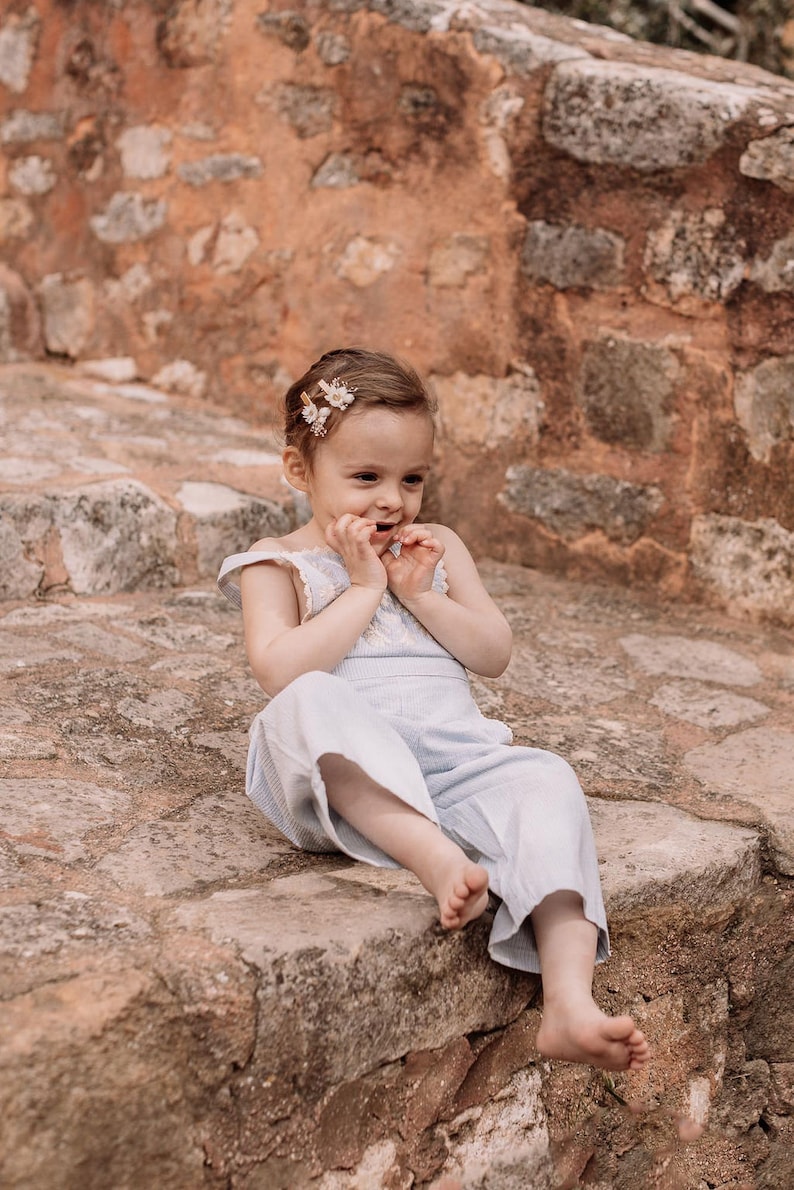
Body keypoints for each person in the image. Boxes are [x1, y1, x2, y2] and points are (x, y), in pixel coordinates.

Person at [218, 347, 650, 1073]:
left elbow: (493, 652)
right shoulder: (278, 561)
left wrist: (419, 593)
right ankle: (431, 856)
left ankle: (571, 1001)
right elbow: (278, 670)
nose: (392, 500)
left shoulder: (437, 548)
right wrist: (361, 590)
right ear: (301, 472)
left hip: (454, 767)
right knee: (308, 700)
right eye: (365, 478)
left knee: (545, 778)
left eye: (411, 479)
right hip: (344, 780)